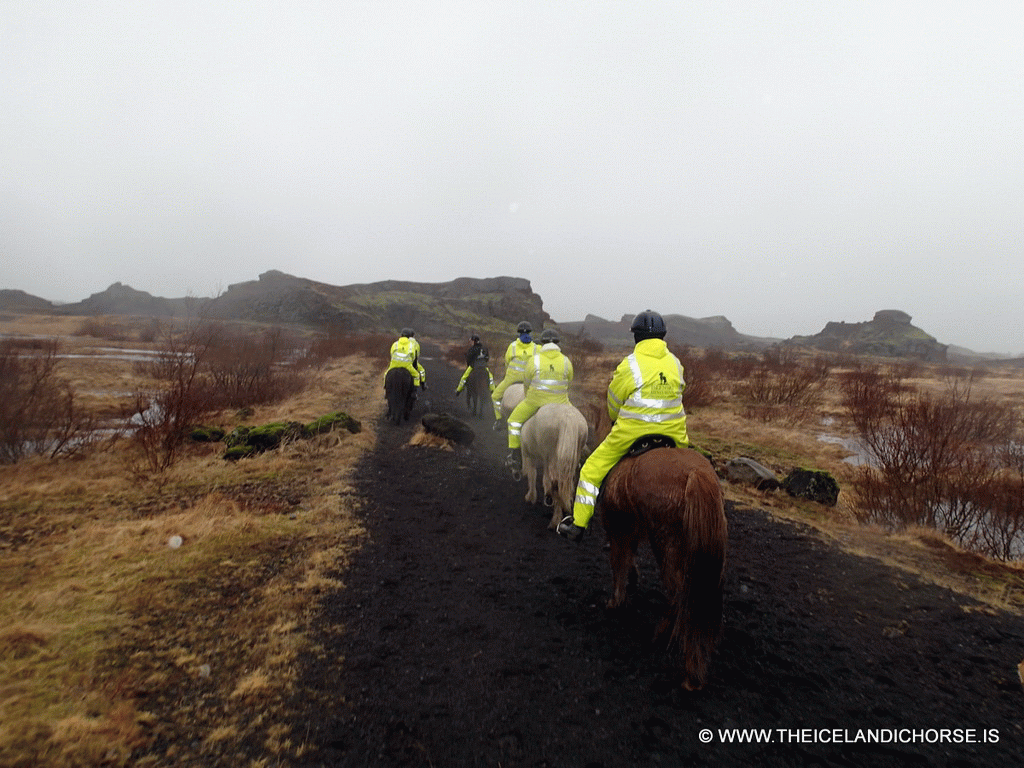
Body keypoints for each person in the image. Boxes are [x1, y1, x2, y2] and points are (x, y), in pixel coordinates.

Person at [558, 310, 689, 541]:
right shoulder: (676, 363)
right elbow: (680, 392)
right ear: (663, 335)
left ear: (636, 337)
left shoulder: (630, 364)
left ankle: (578, 524)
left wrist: (615, 416)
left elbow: (614, 401)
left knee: (590, 470)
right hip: (675, 434)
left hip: (632, 433)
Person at [505, 328, 574, 472]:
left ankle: (515, 455)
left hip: (535, 401)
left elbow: (527, 382)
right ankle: (579, 456)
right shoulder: (566, 361)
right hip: (562, 401)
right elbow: (569, 381)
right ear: (557, 343)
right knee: (575, 422)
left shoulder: (534, 360)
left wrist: (529, 396)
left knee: (513, 421)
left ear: (542, 343)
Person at [490, 321, 537, 429]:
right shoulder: (536, 347)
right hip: (530, 380)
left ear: (518, 333)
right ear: (530, 333)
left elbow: (507, 362)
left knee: (495, 396)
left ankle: (499, 420)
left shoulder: (512, 346)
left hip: (512, 379)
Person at [386, 327, 426, 393]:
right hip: (407, 365)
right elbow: (415, 356)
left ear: (401, 335)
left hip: (394, 364)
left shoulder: (395, 343)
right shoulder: (412, 344)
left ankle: (386, 388)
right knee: (417, 374)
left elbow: (391, 353)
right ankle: (416, 391)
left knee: (386, 374)